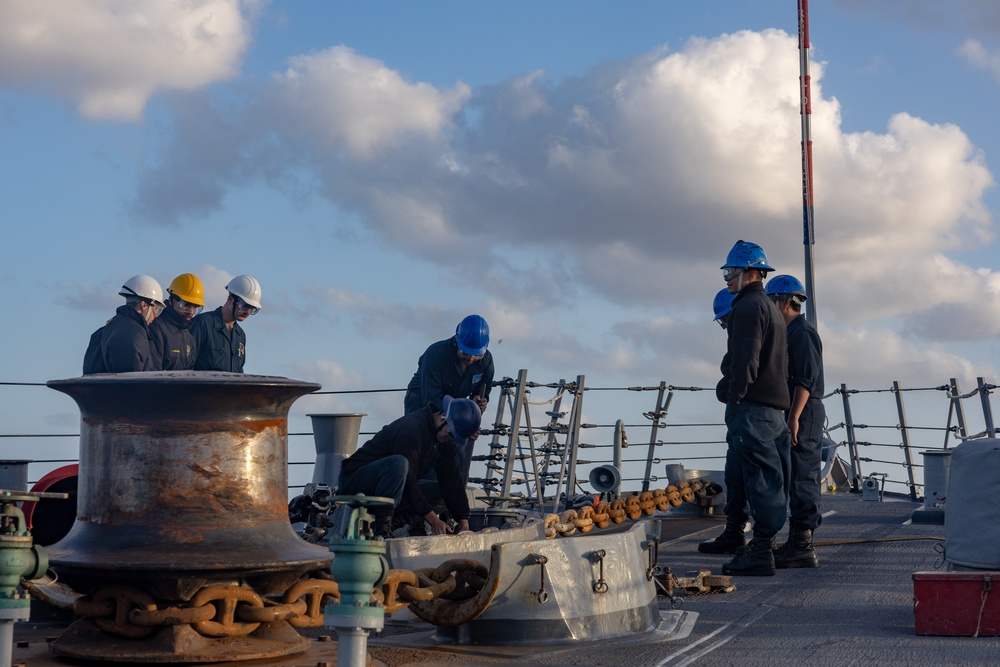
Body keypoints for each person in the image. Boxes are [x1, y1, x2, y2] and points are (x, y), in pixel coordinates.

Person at [716, 240, 791, 576]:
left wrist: (735, 396)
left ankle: (760, 551)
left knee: (759, 479)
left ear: (750, 273)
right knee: (771, 479)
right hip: (774, 410)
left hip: (754, 409)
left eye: (731, 272)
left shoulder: (747, 308)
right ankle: (763, 546)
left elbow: (746, 358)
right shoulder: (771, 308)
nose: (727, 279)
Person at [338, 397, 481, 539]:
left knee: (442, 494)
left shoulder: (444, 440)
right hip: (356, 481)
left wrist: (463, 520)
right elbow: (408, 481)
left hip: (396, 488)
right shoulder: (412, 428)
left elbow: (452, 482)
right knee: (399, 463)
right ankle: (382, 530)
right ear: (443, 419)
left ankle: (392, 524)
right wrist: (433, 520)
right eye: (451, 435)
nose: (451, 440)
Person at [766, 275, 826, 569]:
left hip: (804, 412)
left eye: (771, 301)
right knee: (793, 475)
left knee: (803, 475)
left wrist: (793, 418)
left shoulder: (803, 334)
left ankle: (802, 545)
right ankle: (797, 540)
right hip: (795, 411)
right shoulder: (788, 332)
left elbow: (805, 379)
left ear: (785, 302)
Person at [699, 286, 750, 555]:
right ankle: (735, 531)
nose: (726, 326)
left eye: (726, 320)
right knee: (737, 474)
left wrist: (731, 392)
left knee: (755, 478)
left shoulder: (749, 340)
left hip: (749, 418)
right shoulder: (739, 343)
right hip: (740, 420)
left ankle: (763, 542)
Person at [404, 314, 494, 416]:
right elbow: (431, 399)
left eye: (477, 355)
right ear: (457, 341)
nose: (471, 358)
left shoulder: (487, 361)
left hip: (454, 407)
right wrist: (453, 420)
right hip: (420, 403)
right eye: (465, 353)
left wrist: (478, 401)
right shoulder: (435, 354)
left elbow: (484, 390)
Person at [82, 275, 165, 374]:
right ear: (143, 304)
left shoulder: (106, 330)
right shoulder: (133, 334)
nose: (155, 316)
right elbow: (132, 382)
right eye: (156, 309)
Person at [190, 275, 261, 372]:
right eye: (244, 306)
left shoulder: (240, 335)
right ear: (230, 299)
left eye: (252, 309)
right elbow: (187, 364)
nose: (248, 312)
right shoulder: (202, 323)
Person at [149, 273, 205, 370]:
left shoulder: (189, 338)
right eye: (186, 305)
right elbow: (152, 372)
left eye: (195, 307)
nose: (191, 312)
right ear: (171, 300)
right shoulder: (157, 328)